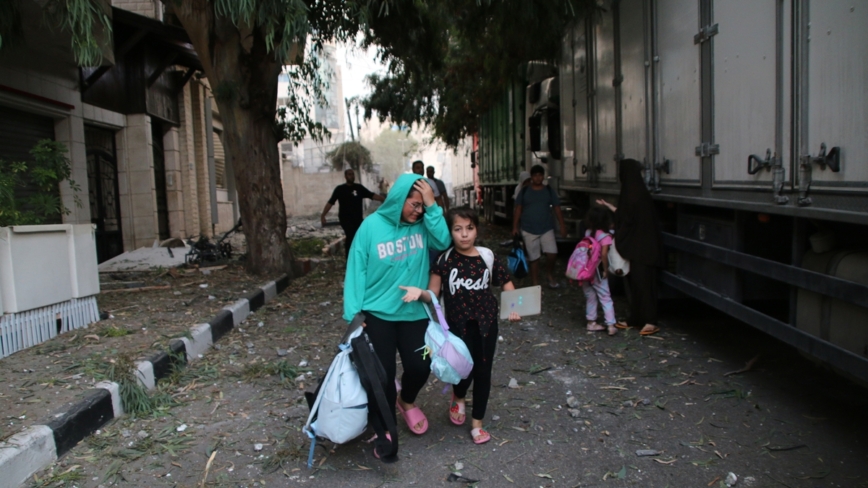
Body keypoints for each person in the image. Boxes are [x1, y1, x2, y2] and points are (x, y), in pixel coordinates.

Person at [343, 172, 452, 459]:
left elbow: (442, 241)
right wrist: (354, 315)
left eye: (421, 205)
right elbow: (356, 270)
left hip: (413, 311)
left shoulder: (423, 225)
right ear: (398, 200)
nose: (417, 211)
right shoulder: (370, 228)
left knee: (421, 365)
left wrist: (432, 206)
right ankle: (385, 426)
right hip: (377, 313)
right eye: (413, 204)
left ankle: (406, 400)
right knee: (383, 374)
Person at [399, 207, 520, 445]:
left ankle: (477, 423)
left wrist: (515, 307)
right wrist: (420, 293)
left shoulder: (487, 256)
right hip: (455, 328)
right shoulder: (444, 260)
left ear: (476, 230)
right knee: (463, 368)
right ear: (450, 232)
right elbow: (433, 293)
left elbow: (506, 283)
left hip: (486, 325)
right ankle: (460, 394)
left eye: (470, 228)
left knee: (484, 372)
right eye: (458, 229)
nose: (464, 234)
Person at [596, 158, 664, 336]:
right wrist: (611, 207)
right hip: (641, 248)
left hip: (643, 250)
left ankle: (650, 320)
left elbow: (627, 220)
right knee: (637, 284)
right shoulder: (636, 192)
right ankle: (636, 318)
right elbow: (627, 215)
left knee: (643, 284)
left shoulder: (633, 194)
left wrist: (616, 231)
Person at [512, 164, 567, 288]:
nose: (538, 178)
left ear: (543, 176)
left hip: (546, 228)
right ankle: (535, 282)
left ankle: (549, 274)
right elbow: (518, 209)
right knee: (534, 257)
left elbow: (557, 209)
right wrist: (515, 227)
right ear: (532, 177)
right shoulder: (525, 191)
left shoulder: (548, 190)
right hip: (528, 228)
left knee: (552, 253)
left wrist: (562, 225)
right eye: (535, 175)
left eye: (540, 175)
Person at [321, 168, 385, 258]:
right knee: (351, 237)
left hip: (358, 219)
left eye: (353, 174)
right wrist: (323, 215)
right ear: (345, 176)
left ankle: (361, 257)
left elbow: (371, 195)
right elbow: (330, 202)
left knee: (361, 237)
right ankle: (349, 260)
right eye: (349, 174)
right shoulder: (340, 189)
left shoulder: (359, 188)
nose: (352, 176)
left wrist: (383, 199)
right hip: (345, 219)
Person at [582, 205, 618, 336]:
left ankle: (591, 322)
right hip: (597, 270)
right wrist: (605, 269)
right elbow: (603, 255)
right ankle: (611, 325)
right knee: (605, 297)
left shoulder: (587, 232)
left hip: (586, 270)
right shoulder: (605, 236)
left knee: (590, 296)